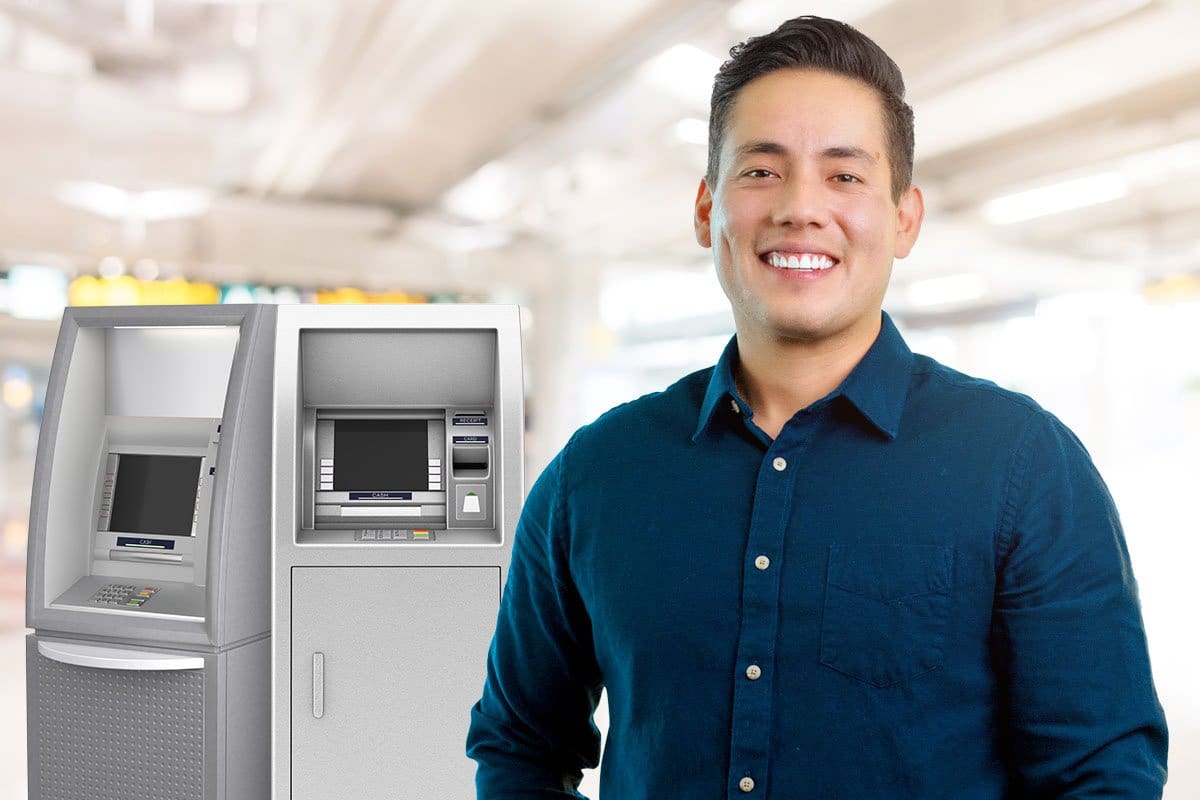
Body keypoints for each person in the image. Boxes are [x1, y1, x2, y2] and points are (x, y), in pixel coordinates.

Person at [466, 15, 1168, 799]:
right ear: (706, 211)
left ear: (904, 218)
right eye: (762, 172)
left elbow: (1100, 776)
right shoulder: (592, 477)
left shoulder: (1024, 466)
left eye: (845, 175)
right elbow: (519, 745)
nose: (801, 207)